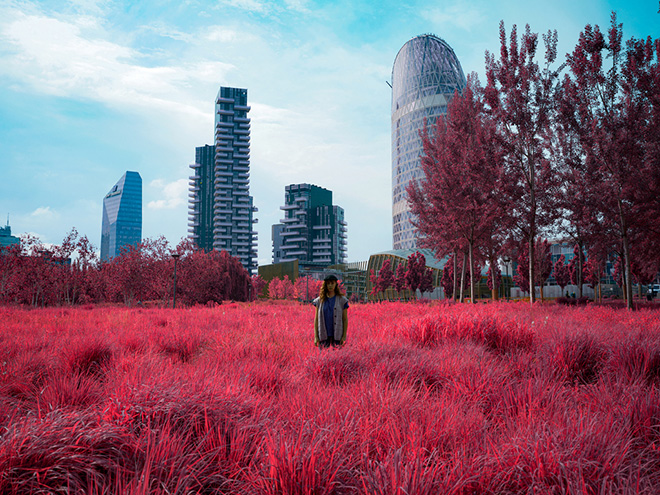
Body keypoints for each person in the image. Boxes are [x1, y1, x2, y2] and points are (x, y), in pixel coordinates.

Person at [312, 274, 349, 349]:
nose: (330, 285)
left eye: (332, 283)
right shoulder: (319, 301)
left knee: (338, 358)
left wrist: (344, 336)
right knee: (323, 358)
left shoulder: (342, 300)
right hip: (323, 336)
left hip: (337, 337)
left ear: (336, 284)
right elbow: (316, 320)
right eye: (328, 283)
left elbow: (345, 319)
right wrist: (316, 336)